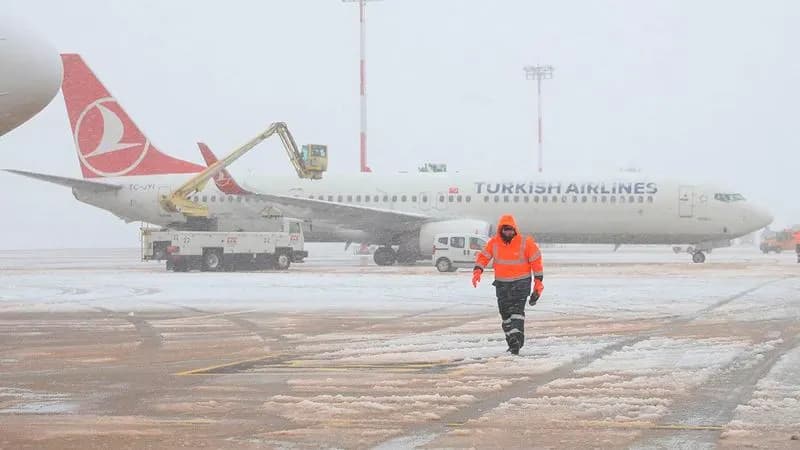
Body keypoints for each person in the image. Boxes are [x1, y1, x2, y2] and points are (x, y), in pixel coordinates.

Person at [472, 214, 544, 355]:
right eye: (505, 230)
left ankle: (516, 339)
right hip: (502, 285)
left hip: (521, 284)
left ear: (515, 230)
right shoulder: (494, 243)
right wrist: (478, 270)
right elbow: (484, 256)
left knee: (516, 313)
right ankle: (512, 340)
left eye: (510, 230)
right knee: (505, 315)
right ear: (501, 230)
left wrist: (538, 283)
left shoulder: (526, 243)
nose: (508, 233)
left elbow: (536, 262)